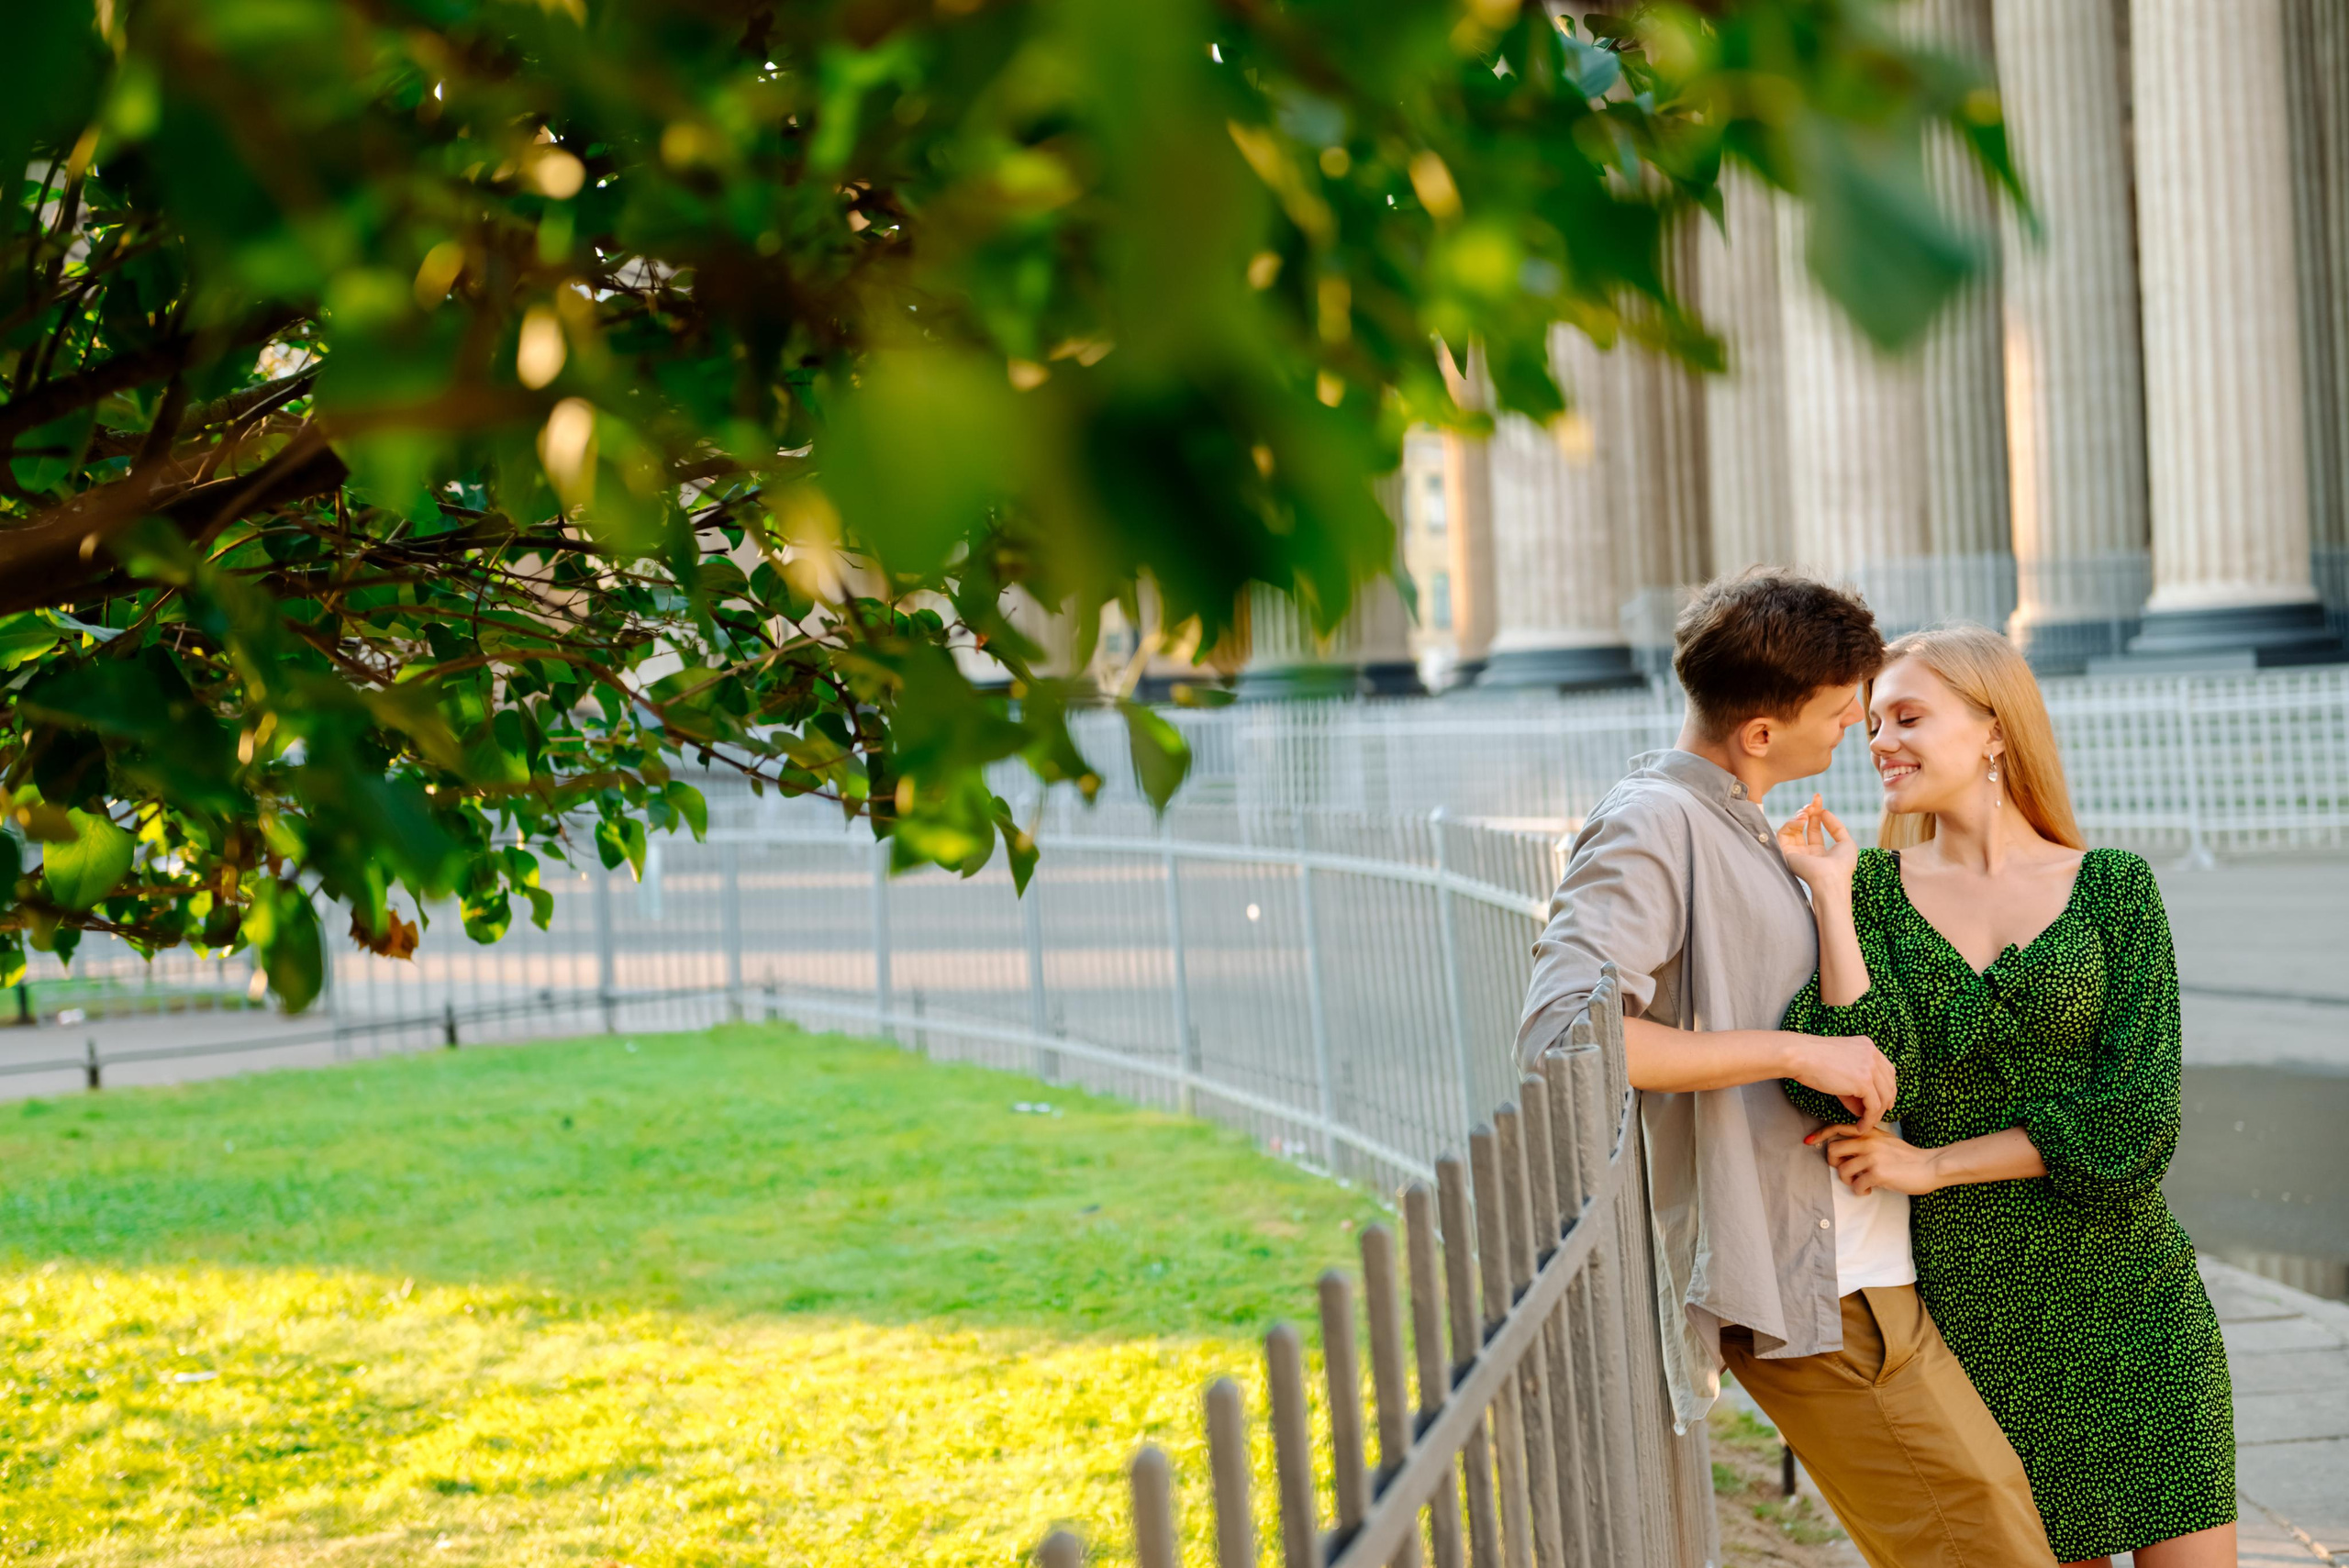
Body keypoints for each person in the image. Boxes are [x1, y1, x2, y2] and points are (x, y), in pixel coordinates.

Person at [1515, 570, 2057, 1568]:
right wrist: (1797, 1048)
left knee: (1996, 1514)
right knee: (1984, 1539)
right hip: (1808, 1288)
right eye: (1843, 713)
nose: (1858, 728)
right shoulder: (1653, 820)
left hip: (1859, 1259)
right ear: (1761, 731)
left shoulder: (1739, 820)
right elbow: (1567, 1037)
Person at [1775, 624, 2235, 1568]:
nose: (1878, 742)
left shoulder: (2113, 889)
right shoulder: (1868, 894)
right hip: (1973, 1319)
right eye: (1869, 724)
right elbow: (1840, 1082)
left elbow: (2136, 1122)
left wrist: (1933, 1163)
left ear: (1994, 729)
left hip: (2133, 1298)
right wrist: (1826, 893)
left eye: (1906, 716)